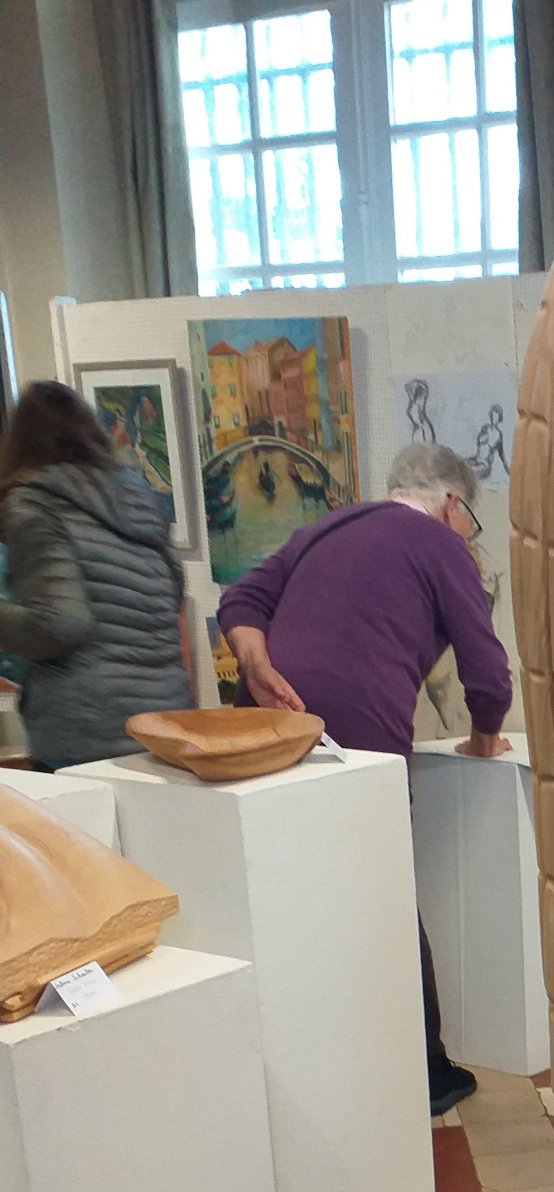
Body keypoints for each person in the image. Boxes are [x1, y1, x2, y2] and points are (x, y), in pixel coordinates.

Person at [217, 442, 514, 1116]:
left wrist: (255, 662)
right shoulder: (441, 545)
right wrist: (483, 737)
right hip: (359, 740)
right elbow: (487, 670)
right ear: (452, 504)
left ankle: (306, 1065)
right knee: (383, 899)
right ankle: (426, 1072)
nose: (468, 533)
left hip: (265, 729)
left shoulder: (323, 527)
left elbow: (242, 600)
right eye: (470, 520)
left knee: (289, 895)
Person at [0, 380, 193, 769]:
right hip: (167, 721)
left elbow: (61, 624)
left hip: (86, 731)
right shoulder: (141, 499)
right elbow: (172, 598)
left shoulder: (34, 504)